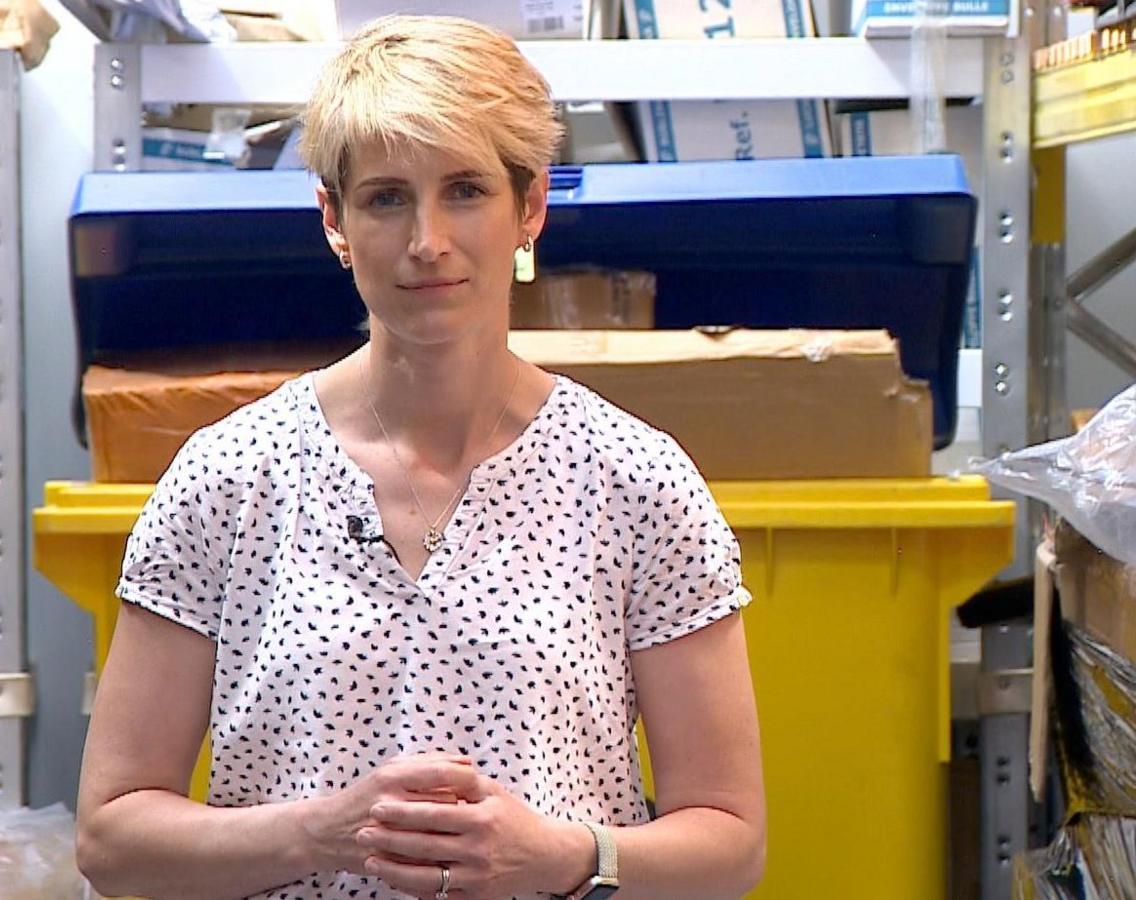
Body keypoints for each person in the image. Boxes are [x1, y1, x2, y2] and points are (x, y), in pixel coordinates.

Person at [76, 15, 765, 899]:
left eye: (467, 190)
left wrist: (560, 857)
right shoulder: (229, 480)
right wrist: (317, 832)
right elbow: (112, 834)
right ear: (334, 218)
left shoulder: (636, 482)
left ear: (531, 207)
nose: (427, 240)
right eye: (387, 197)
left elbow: (731, 841)